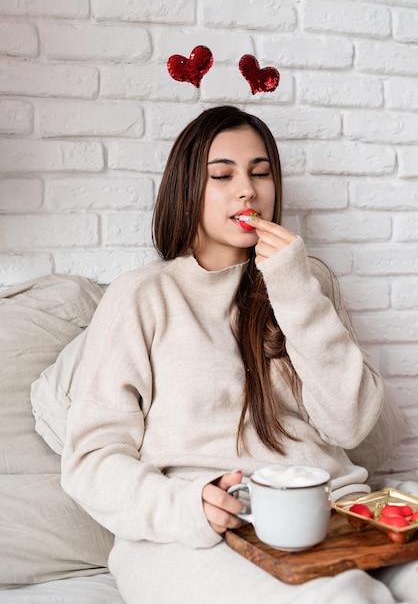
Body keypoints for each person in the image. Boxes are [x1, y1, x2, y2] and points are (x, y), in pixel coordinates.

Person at [61, 106, 416, 604]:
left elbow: (352, 423)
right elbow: (91, 459)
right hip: (199, 529)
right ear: (187, 188)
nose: (247, 189)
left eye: (261, 172)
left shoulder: (307, 282)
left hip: (331, 509)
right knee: (343, 598)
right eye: (222, 175)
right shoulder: (143, 295)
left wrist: (294, 288)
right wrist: (185, 506)